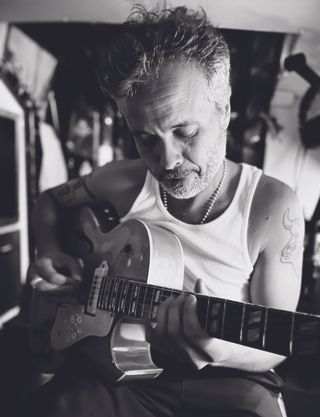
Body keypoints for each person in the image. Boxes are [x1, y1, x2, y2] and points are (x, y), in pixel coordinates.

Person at [27, 5, 304, 417]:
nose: (167, 159)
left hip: (229, 379)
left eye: (184, 132)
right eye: (145, 138)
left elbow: (277, 346)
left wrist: (215, 349)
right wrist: (49, 250)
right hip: (116, 368)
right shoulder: (125, 181)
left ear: (224, 111)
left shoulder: (271, 208)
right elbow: (48, 200)